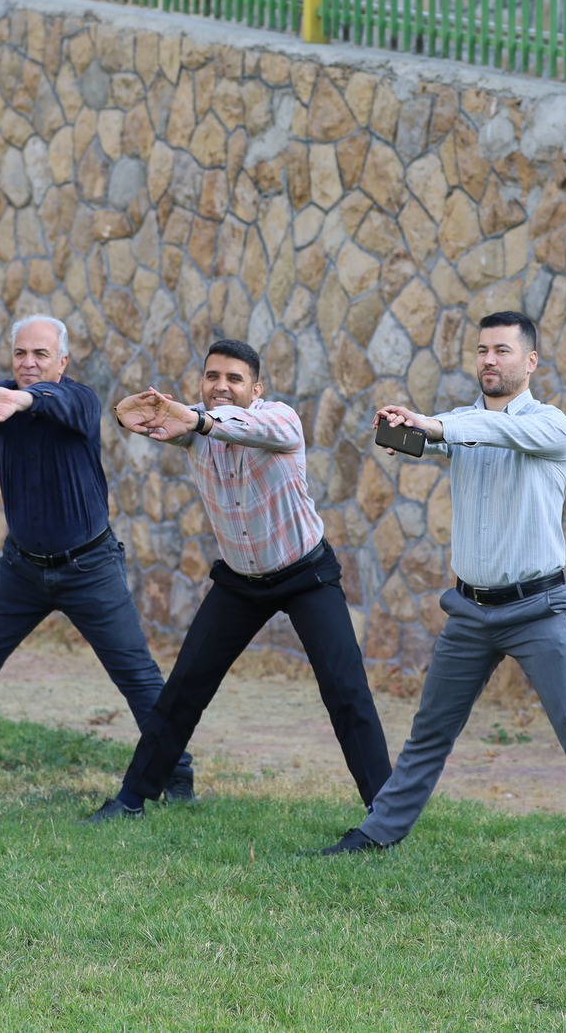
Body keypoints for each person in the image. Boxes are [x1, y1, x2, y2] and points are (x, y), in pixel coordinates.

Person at [316, 311, 566, 890]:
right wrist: (403, 428)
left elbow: (490, 431)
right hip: (470, 613)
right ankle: (378, 832)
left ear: (531, 361)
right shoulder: (458, 424)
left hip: (539, 610)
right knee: (429, 732)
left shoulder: (551, 426)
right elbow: (438, 437)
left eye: (502, 350)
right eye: (481, 350)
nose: (489, 360)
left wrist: (435, 426)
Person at [0, 314, 194, 796]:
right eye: (20, 353)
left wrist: (18, 400)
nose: (29, 362)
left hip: (89, 567)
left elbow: (46, 399)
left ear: (62, 361)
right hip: (21, 569)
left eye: (41, 354)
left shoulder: (80, 400)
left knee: (136, 674)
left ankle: (176, 773)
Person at [83, 339, 392, 821]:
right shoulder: (193, 425)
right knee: (184, 688)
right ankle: (130, 800)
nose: (221, 386)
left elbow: (236, 426)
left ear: (256, 389)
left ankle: (386, 814)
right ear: (201, 382)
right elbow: (152, 419)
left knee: (346, 691)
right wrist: (128, 415)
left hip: (306, 573)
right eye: (212, 376)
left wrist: (195, 421)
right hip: (239, 581)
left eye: (234, 378)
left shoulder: (280, 420)